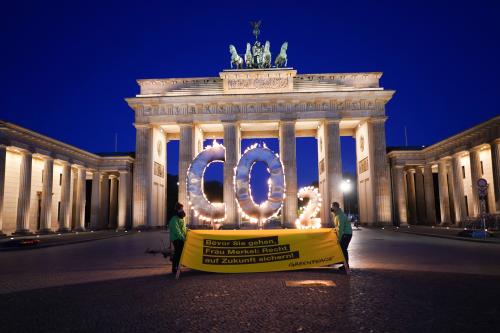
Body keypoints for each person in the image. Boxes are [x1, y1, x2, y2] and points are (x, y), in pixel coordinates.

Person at [331, 201, 353, 270]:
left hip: (346, 234)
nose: (331, 208)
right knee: (342, 249)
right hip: (345, 234)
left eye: (332, 207)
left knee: (343, 249)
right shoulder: (337, 215)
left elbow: (340, 229)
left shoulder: (341, 216)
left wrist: (338, 239)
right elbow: (337, 227)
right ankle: (344, 264)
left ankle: (346, 265)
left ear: (336, 207)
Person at [168, 203, 187, 274]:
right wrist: (183, 238)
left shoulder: (181, 218)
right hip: (176, 239)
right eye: (181, 208)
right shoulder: (174, 219)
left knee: (180, 253)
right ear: (178, 209)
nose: (182, 210)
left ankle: (178, 267)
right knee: (177, 253)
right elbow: (176, 230)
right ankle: (174, 268)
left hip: (180, 238)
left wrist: (188, 231)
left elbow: (183, 228)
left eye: (182, 208)